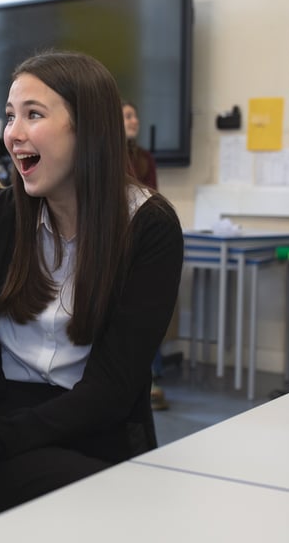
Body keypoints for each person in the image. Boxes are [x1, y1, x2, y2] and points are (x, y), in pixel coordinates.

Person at [0, 50, 184, 511]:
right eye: (10, 116)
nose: (12, 133)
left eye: (33, 114)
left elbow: (110, 392)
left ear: (88, 129)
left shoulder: (149, 227)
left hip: (87, 431)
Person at [122, 100, 168, 410]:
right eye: (127, 116)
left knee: (151, 303)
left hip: (142, 239)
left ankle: (152, 375)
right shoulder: (109, 156)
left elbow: (152, 198)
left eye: (135, 115)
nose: (135, 120)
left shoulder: (145, 158)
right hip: (119, 241)